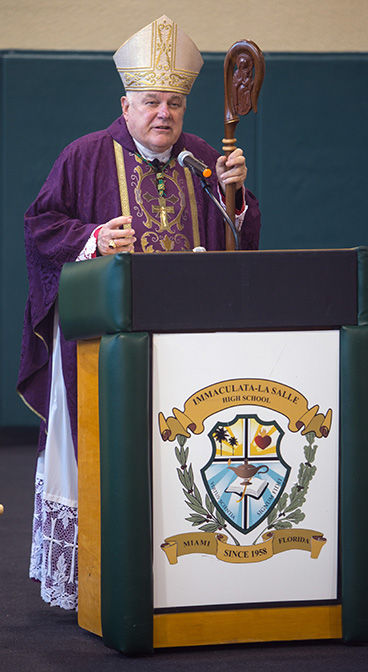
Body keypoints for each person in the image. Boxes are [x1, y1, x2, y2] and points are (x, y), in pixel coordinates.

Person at [17, 15, 261, 610]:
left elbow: (240, 242)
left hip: (184, 349)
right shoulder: (85, 156)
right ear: (126, 105)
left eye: (174, 103)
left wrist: (236, 195)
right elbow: (39, 228)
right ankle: (99, 580)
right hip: (102, 349)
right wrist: (96, 237)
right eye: (152, 101)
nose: (164, 115)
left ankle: (178, 574)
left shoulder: (202, 158)